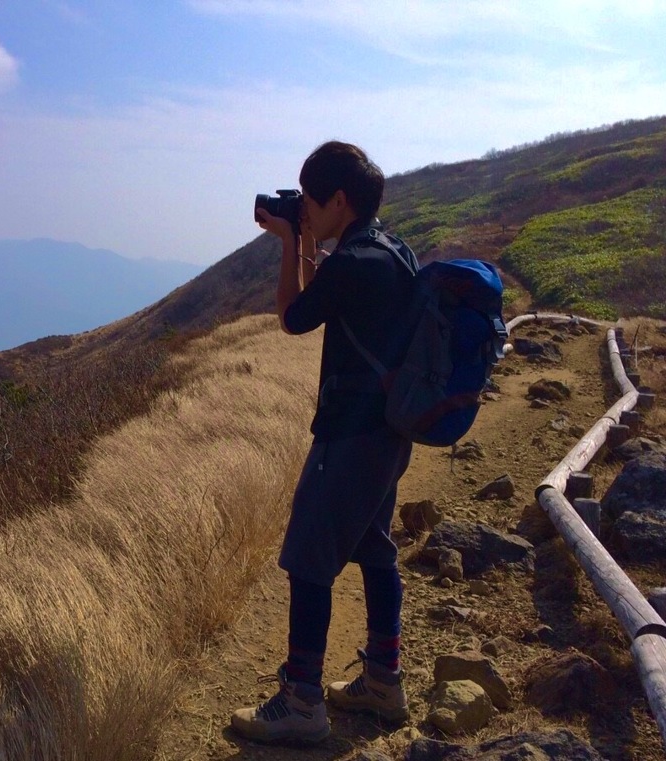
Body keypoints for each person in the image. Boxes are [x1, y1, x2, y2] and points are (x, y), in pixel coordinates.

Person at [231, 141, 419, 744]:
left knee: (309, 560)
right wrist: (309, 242)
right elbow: (329, 299)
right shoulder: (390, 251)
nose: (305, 209)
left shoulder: (354, 262)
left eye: (311, 201)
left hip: (349, 435)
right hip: (389, 433)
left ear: (340, 199)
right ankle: (384, 681)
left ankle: (302, 701)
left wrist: (289, 245)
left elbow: (293, 317)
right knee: (374, 546)